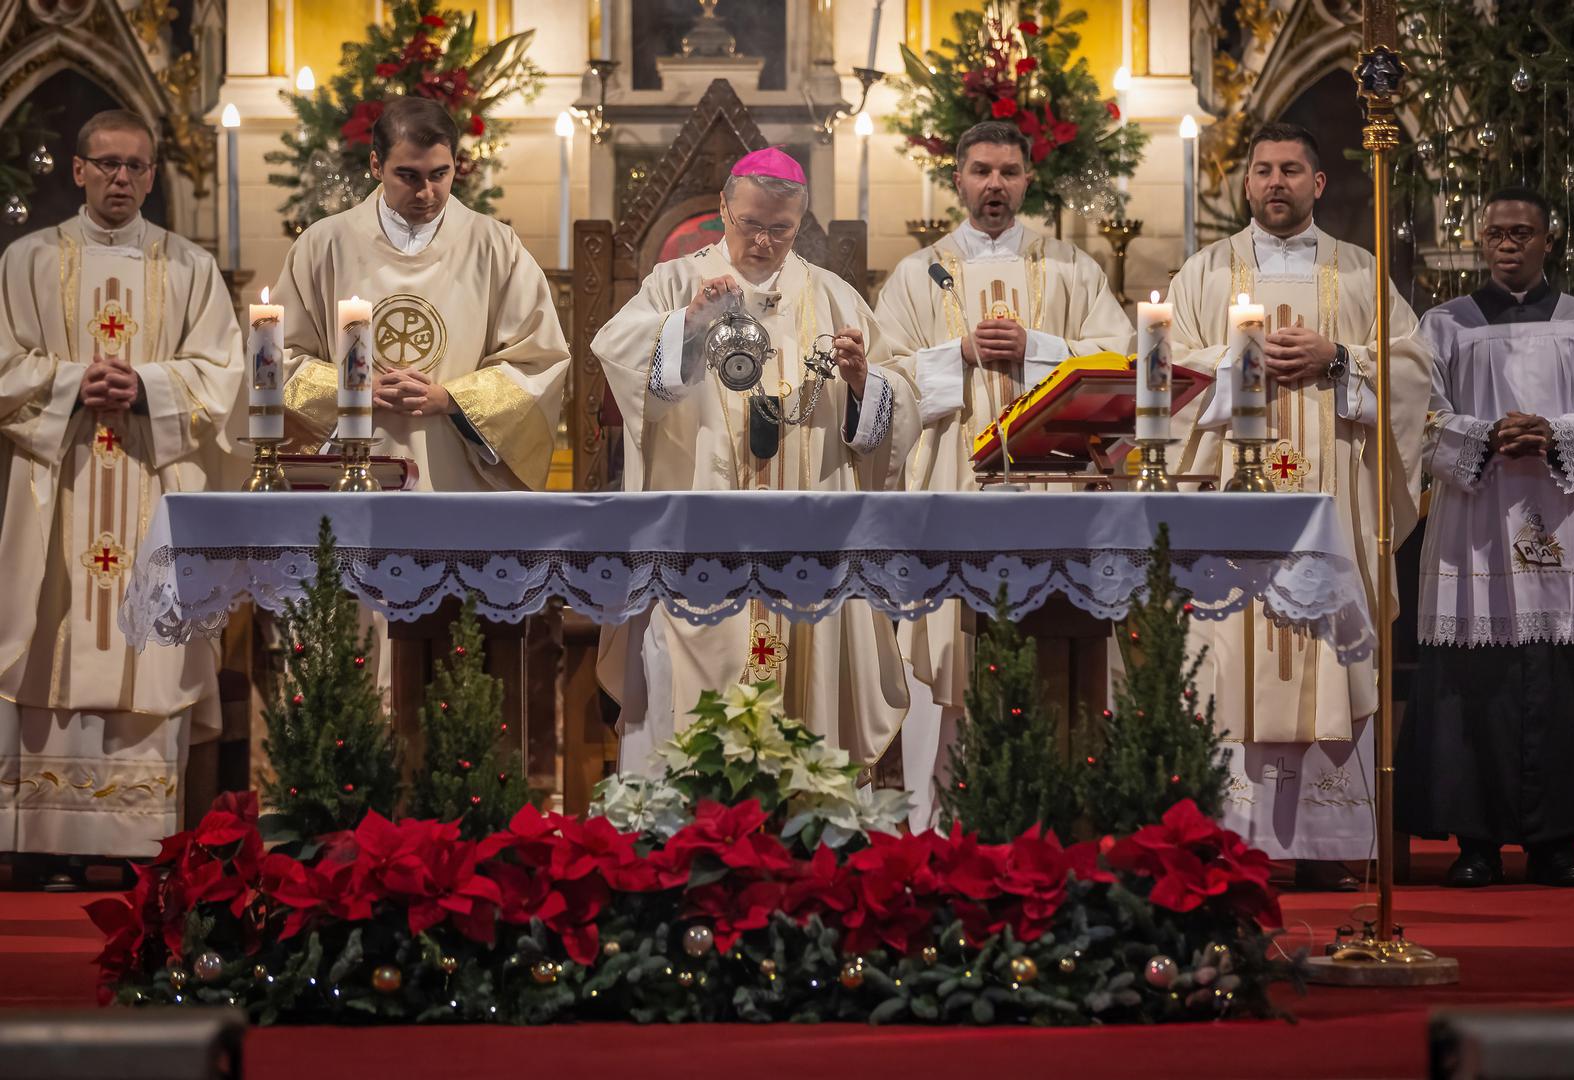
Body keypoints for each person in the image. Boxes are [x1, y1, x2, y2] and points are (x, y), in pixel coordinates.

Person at [591, 147, 921, 773]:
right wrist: (688, 323)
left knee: (805, 714)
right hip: (702, 544)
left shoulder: (833, 297)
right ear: (723, 210)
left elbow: (898, 398)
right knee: (697, 711)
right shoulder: (675, 283)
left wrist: (862, 384)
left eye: (781, 229)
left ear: (799, 225)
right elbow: (620, 362)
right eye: (750, 225)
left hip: (809, 552)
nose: (764, 242)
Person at [1169, 122, 1433, 888]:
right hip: (1235, 509)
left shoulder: (1357, 273)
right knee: (1228, 657)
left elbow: (1413, 372)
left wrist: (1339, 357)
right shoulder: (1203, 273)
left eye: (1290, 170)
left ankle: (1324, 847)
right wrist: (1236, 364)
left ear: (1318, 184)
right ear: (1244, 184)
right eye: (1261, 171)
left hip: (1334, 503)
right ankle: (1234, 841)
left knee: (1330, 649)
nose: (1274, 183)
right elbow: (1167, 375)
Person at [0, 110, 243, 880]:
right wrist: (73, 382)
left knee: (150, 645)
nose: (122, 180)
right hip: (54, 485)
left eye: (137, 167)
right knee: (45, 626)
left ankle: (135, 845)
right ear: (77, 170)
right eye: (106, 164)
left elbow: (224, 376)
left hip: (151, 483)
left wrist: (146, 386)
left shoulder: (190, 268)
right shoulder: (26, 261)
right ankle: (38, 840)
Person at [875, 120, 1132, 830]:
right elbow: (879, 378)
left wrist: (1038, 347)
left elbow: (1118, 361)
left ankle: (1051, 819)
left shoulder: (1071, 269)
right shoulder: (914, 273)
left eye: (1008, 172)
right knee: (948, 650)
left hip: (1051, 488)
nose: (994, 184)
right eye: (980, 171)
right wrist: (952, 352)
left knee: (1049, 633)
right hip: (951, 485)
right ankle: (941, 823)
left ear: (1027, 181)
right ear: (955, 179)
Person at [1396, 185, 1574, 888]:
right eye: (1496, 233)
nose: (1508, 243)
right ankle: (1476, 841)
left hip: (1559, 518)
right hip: (1474, 524)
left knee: (1563, 677)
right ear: (1480, 240)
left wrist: (1556, 432)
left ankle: (1559, 843)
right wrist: (1482, 435)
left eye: (1523, 233)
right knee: (1472, 679)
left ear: (1546, 241)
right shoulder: (1441, 327)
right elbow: (1415, 418)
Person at [276, 96, 569, 492]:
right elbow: (278, 358)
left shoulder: (496, 247)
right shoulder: (324, 245)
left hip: (458, 478)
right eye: (408, 176)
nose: (427, 192)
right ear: (376, 165)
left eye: (440, 174)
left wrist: (452, 399)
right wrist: (351, 390)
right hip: (347, 476)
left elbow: (539, 362)